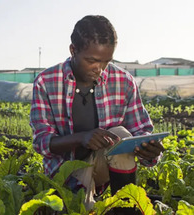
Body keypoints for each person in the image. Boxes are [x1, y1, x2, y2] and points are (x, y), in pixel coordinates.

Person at [29, 15, 164, 213]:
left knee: (121, 135)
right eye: (91, 61)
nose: (99, 69)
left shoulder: (123, 82)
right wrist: (82, 138)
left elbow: (141, 130)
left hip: (102, 169)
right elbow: (42, 142)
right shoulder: (46, 82)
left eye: (106, 62)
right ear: (73, 50)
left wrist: (148, 150)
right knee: (80, 209)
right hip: (64, 172)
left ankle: (124, 210)